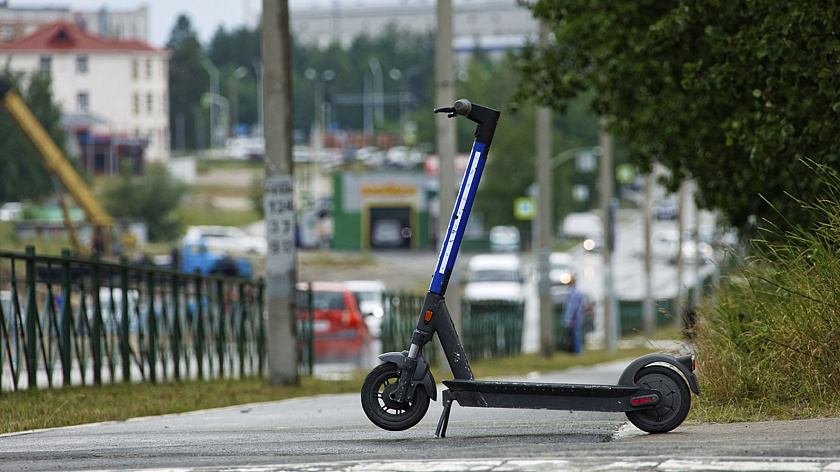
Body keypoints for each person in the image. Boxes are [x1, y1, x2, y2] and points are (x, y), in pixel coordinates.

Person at [562, 275, 586, 354]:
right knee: (575, 334)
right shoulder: (576, 291)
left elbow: (572, 307)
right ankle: (576, 351)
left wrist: (569, 318)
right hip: (577, 317)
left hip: (574, 319)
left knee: (576, 335)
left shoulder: (574, 293)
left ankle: (578, 352)